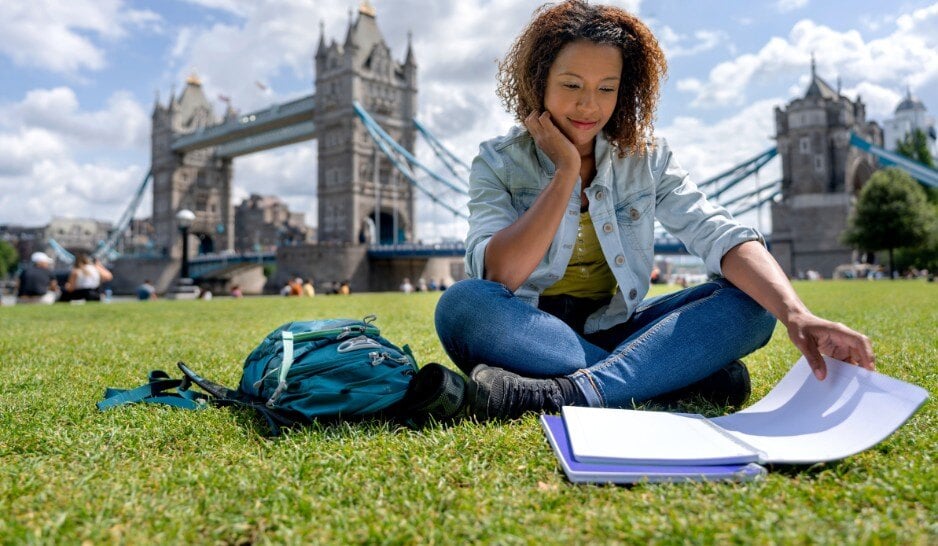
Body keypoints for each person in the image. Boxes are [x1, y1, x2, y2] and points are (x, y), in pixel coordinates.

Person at [434, 1, 875, 421]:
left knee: (756, 304)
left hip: (620, 329)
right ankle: (670, 376)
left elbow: (716, 231)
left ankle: (571, 392)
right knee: (462, 305)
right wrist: (566, 171)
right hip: (529, 331)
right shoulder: (497, 161)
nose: (590, 106)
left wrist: (797, 314)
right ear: (539, 81)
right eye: (571, 86)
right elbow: (500, 275)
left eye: (607, 89)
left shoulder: (648, 158)